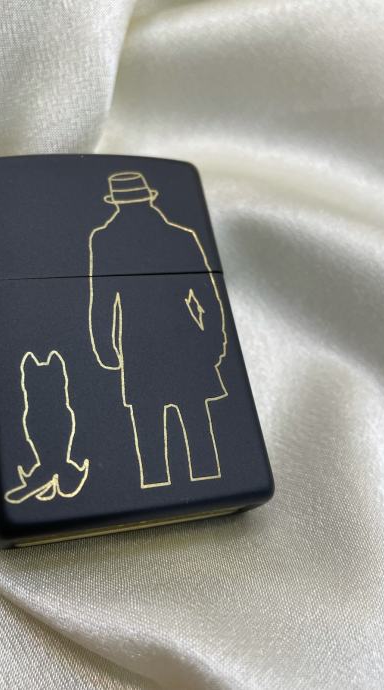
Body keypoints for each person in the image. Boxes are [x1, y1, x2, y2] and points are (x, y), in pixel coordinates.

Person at [89, 172, 227, 488]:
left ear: (118, 203)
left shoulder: (106, 239)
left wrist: (106, 349)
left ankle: (156, 484)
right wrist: (214, 340)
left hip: (138, 346)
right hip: (185, 342)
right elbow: (206, 296)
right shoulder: (180, 236)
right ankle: (207, 481)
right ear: (148, 198)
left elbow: (103, 300)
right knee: (195, 421)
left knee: (148, 424)